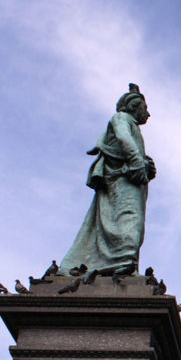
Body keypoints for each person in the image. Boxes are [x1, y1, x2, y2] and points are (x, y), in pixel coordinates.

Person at [59, 83, 157, 276]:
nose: (148, 114)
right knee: (130, 220)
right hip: (122, 180)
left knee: (128, 222)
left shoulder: (132, 124)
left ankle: (123, 263)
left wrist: (146, 165)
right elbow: (123, 137)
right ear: (133, 107)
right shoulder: (121, 118)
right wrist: (137, 160)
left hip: (130, 180)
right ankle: (122, 262)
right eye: (145, 108)